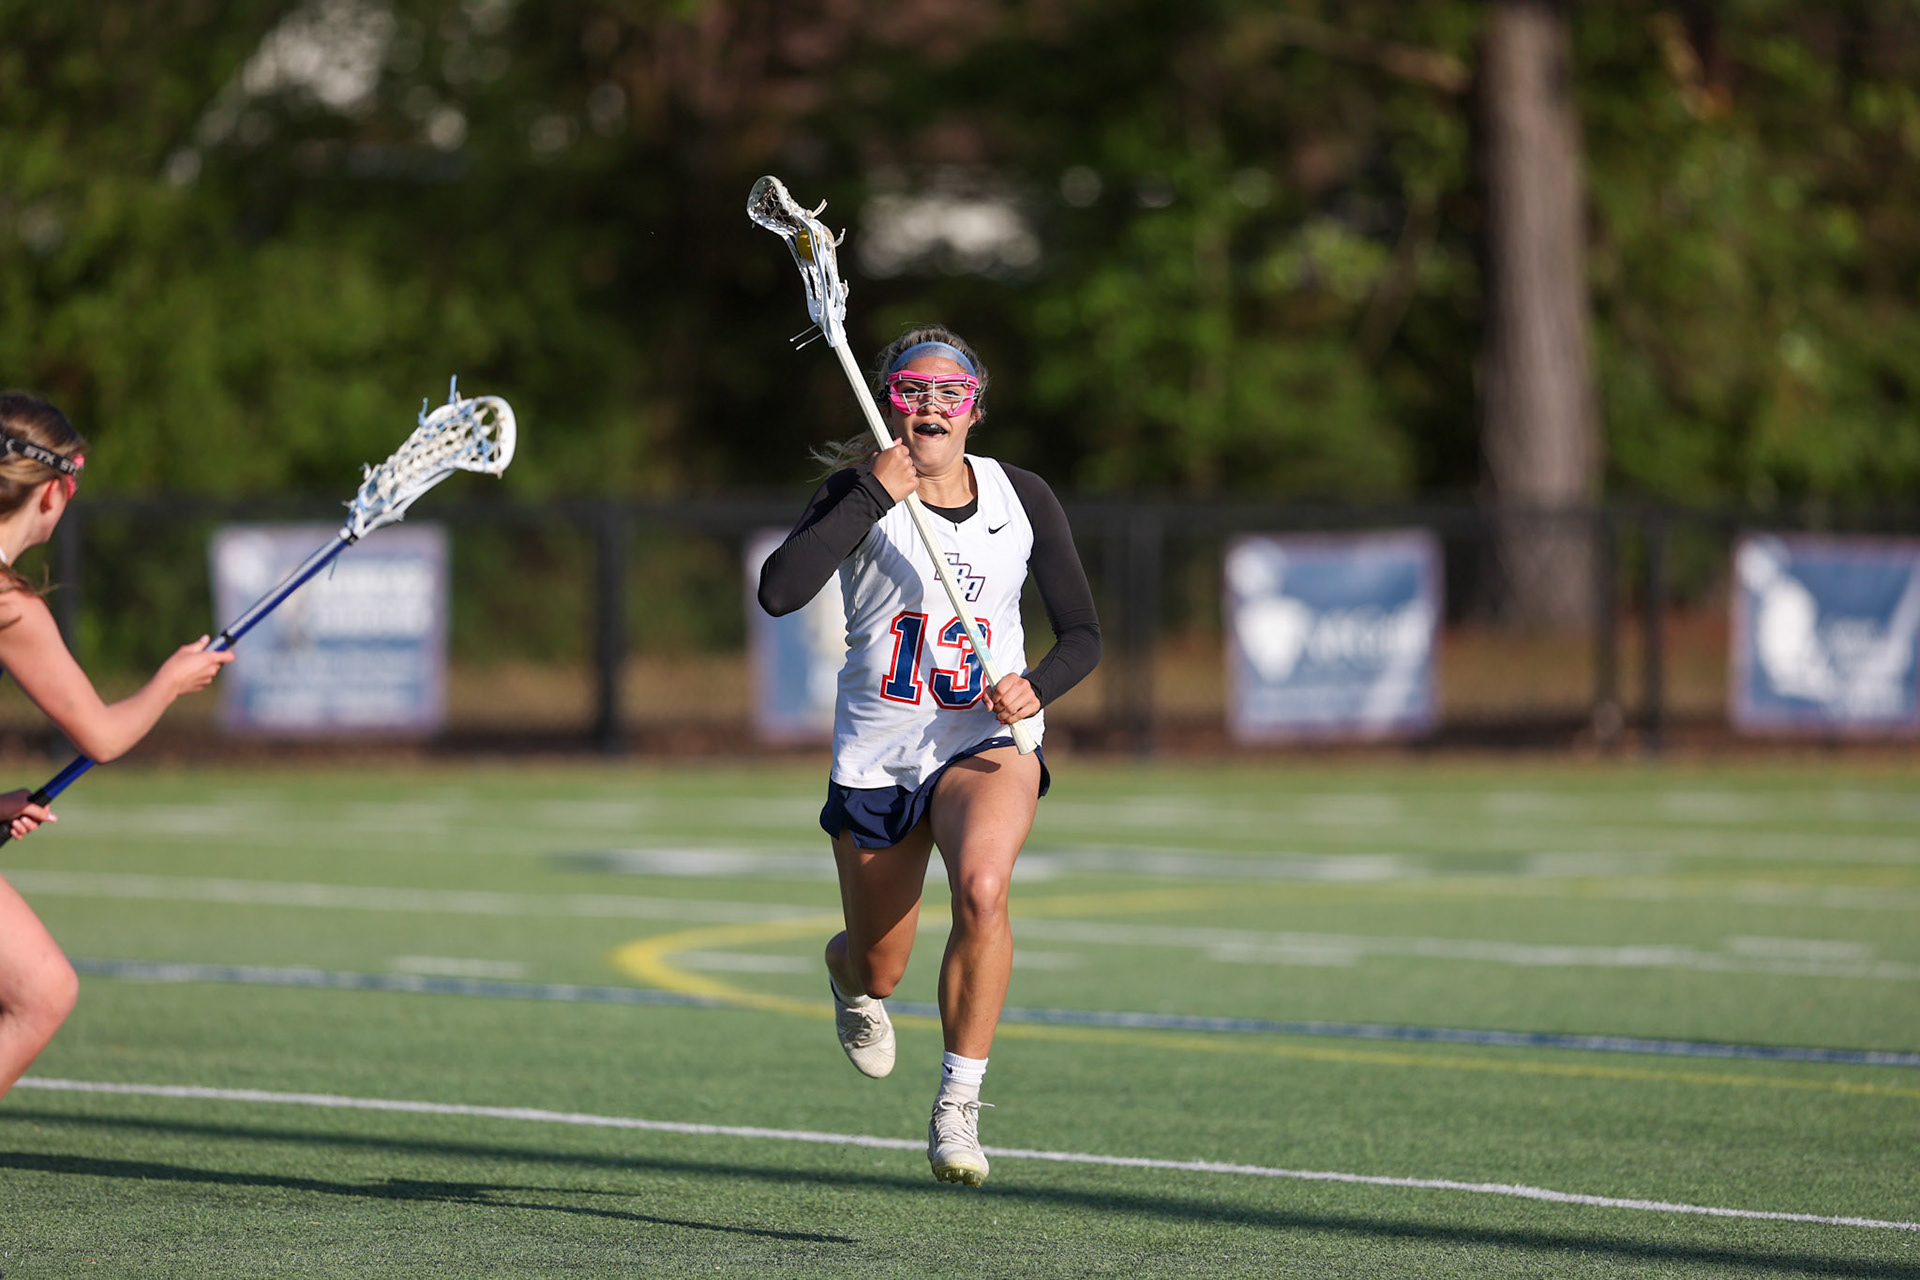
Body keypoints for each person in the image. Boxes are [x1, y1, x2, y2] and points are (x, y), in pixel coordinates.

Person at [759, 327, 1101, 1186]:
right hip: (879, 756)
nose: (933, 407)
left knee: (983, 889)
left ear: (976, 409)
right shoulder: (858, 490)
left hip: (981, 742)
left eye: (952, 394)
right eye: (915, 390)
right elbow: (779, 590)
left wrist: (1036, 687)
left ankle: (959, 1102)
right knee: (881, 961)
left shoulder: (1021, 496)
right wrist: (872, 494)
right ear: (889, 403)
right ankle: (848, 979)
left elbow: (1084, 636)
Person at [0, 392, 234, 1101]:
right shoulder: (11, 605)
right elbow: (101, 737)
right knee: (41, 992)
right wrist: (171, 680)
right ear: (54, 494)